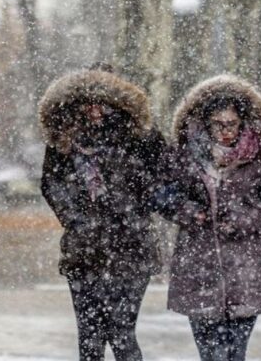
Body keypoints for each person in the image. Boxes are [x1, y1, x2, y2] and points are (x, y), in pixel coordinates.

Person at [39, 67, 165, 361]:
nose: (95, 110)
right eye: (87, 102)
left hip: (132, 249)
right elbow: (51, 184)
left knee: (122, 333)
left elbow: (161, 178)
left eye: (103, 102)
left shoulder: (140, 136)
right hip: (84, 252)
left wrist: (131, 210)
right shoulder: (63, 140)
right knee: (90, 338)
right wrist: (77, 220)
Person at [162, 76, 261, 361]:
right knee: (210, 355)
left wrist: (248, 219)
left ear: (243, 122)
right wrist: (189, 212)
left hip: (245, 268)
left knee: (234, 354)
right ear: (205, 122)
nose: (226, 131)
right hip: (198, 267)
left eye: (232, 124)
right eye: (218, 124)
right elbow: (163, 193)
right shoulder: (185, 154)